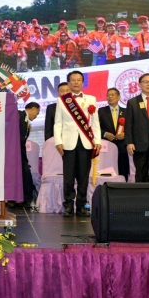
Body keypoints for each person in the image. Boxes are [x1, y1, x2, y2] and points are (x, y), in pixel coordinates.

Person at [53, 70, 102, 217]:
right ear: (68, 83)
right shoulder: (62, 100)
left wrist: (97, 141)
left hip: (86, 143)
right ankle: (68, 205)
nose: (76, 82)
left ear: (82, 82)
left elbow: (95, 123)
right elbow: (58, 123)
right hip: (68, 143)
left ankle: (82, 206)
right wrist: (58, 141)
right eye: (73, 80)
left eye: (79, 80)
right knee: (68, 177)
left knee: (83, 177)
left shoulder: (91, 99)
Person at [98, 88, 130, 181]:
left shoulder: (126, 111)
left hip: (122, 146)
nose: (110, 97)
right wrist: (105, 134)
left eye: (112, 94)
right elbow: (96, 128)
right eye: (108, 95)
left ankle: (123, 185)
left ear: (119, 97)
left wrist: (125, 134)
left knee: (122, 169)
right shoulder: (101, 111)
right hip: (107, 146)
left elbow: (132, 127)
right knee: (108, 169)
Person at [17, 101, 40, 209]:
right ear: (32, 109)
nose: (36, 116)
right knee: (25, 176)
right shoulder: (19, 115)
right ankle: (24, 200)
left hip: (20, 154)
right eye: (37, 113)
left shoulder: (25, 119)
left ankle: (24, 200)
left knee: (26, 176)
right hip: (16, 154)